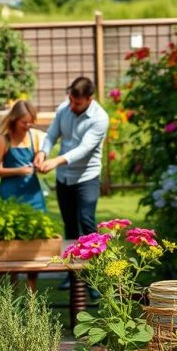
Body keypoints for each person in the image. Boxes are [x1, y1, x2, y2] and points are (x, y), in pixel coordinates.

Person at [34, 76, 109, 238]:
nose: (72, 106)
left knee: (86, 220)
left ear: (90, 99)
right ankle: (73, 262)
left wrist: (56, 161)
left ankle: (98, 261)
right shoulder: (63, 109)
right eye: (71, 101)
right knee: (70, 224)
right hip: (64, 178)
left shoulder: (100, 118)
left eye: (77, 103)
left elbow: (84, 149)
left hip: (87, 177)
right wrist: (43, 152)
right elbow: (52, 134)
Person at [0, 99, 46, 211]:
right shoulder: (2, 140)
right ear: (14, 120)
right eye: (24, 122)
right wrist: (19, 171)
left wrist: (41, 162)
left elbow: (43, 154)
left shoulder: (35, 136)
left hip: (33, 194)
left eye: (31, 122)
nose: (28, 125)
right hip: (10, 194)